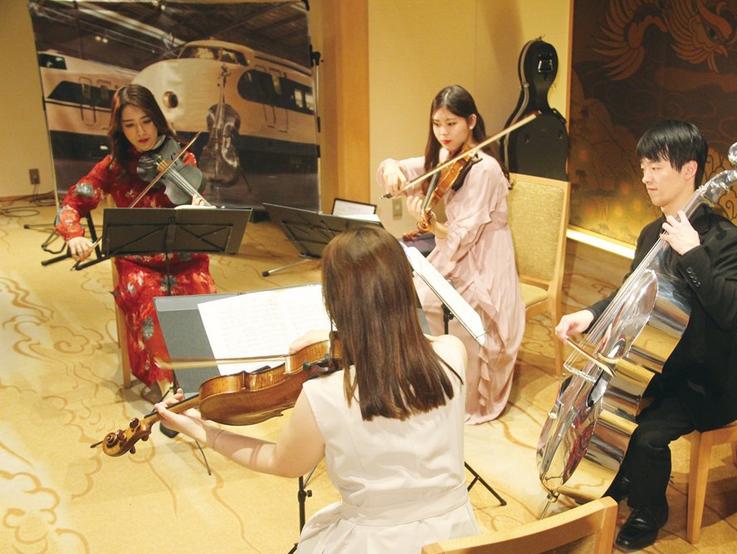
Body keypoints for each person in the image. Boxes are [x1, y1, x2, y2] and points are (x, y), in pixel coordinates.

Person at [155, 225, 479, 552]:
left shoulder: (324, 396)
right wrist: (344, 344)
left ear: (335, 304)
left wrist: (202, 430)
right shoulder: (454, 352)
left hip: (376, 543)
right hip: (455, 535)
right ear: (405, 287)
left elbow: (280, 461)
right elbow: (401, 351)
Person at [555, 120, 737, 550]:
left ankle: (649, 510)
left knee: (646, 434)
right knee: (594, 396)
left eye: (656, 167)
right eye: (643, 167)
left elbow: (730, 312)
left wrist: (693, 252)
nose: (645, 177)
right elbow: (630, 295)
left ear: (689, 170)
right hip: (656, 362)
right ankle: (619, 475)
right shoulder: (651, 233)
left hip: (706, 379)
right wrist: (589, 315)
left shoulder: (728, 240)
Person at [54, 84, 215, 401]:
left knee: (202, 297)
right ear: (120, 129)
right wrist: (74, 236)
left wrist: (198, 207)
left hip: (186, 258)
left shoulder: (182, 157)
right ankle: (167, 388)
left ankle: (201, 376)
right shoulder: (114, 167)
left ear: (157, 119)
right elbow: (71, 204)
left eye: (146, 121)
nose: (140, 132)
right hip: (139, 263)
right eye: (129, 125)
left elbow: (192, 199)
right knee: (149, 297)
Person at [377, 84, 525, 424]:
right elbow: (400, 167)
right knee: (420, 294)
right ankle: (439, 377)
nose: (443, 132)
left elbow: (464, 233)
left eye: (451, 124)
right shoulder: (447, 156)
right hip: (455, 246)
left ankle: (467, 394)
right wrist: (392, 168)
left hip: (484, 254)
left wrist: (430, 224)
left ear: (471, 122)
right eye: (437, 124)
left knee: (454, 309)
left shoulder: (485, 169)